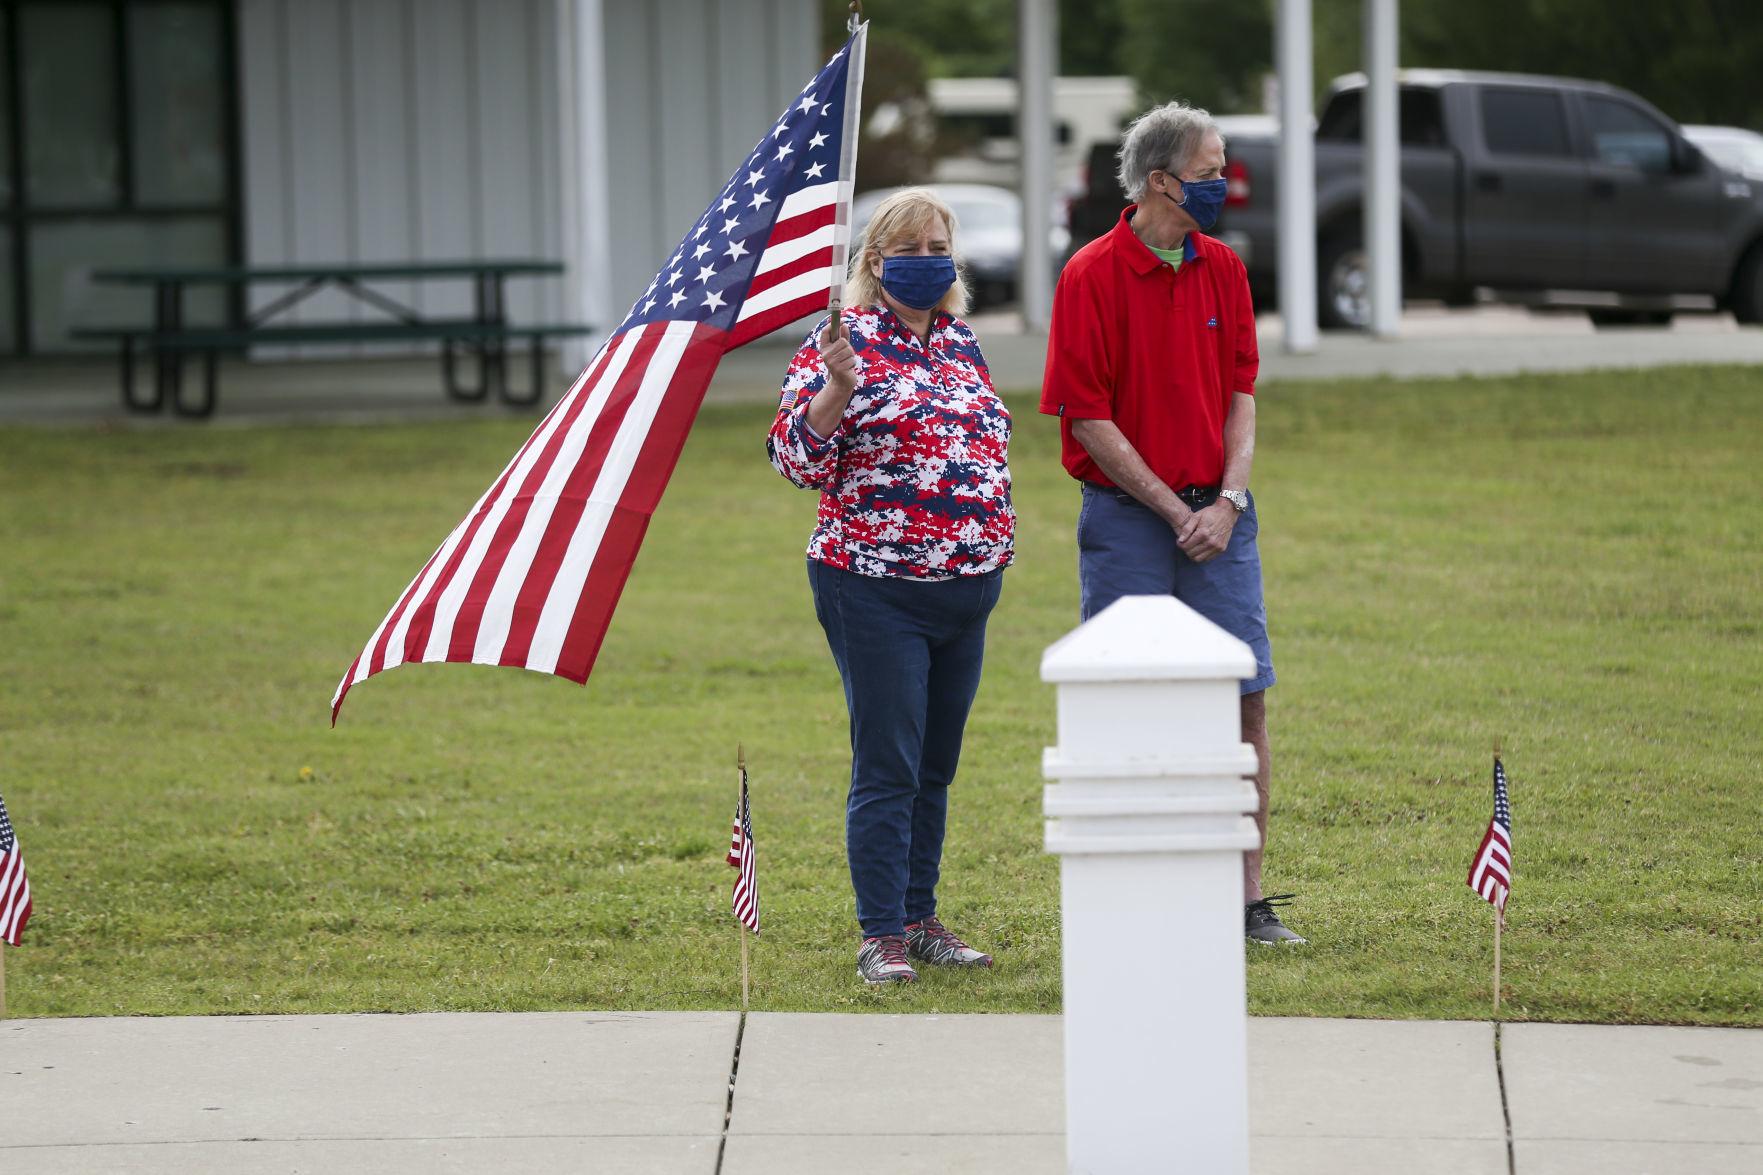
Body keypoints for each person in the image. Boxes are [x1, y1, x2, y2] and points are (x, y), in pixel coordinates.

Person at [1039, 101, 1304, 945]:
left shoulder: (1224, 267)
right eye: (1211, 168)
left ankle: (1245, 900)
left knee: (1245, 701)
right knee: (1126, 703)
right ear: (1161, 181)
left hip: (1221, 519)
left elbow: (1241, 395)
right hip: (1127, 521)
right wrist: (1173, 508)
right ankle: (1133, 893)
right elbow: (1086, 417)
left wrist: (1226, 501)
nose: (1225, 182)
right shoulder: (1088, 274)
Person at [767, 188, 1015, 984]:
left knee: (935, 765)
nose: (926, 260)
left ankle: (920, 914)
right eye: (907, 249)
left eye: (937, 245)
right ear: (875, 263)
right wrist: (834, 390)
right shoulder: (841, 340)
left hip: (966, 588)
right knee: (889, 762)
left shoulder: (959, 342)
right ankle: (881, 933)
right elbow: (794, 461)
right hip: (873, 584)